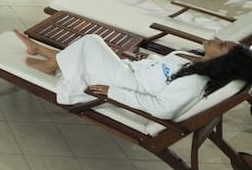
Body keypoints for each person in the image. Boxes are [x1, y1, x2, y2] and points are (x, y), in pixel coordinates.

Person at [14, 31, 252, 118]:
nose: (216, 39)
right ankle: (43, 52)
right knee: (89, 48)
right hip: (131, 73)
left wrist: (113, 92)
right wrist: (146, 62)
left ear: (222, 61)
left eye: (221, 44)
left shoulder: (195, 80)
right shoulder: (196, 59)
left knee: (91, 42)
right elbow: (163, 68)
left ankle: (49, 63)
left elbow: (163, 109)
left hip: (127, 85)